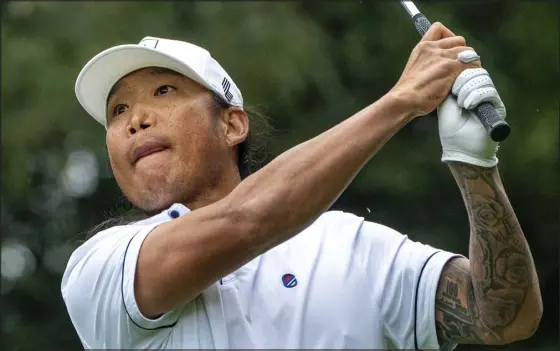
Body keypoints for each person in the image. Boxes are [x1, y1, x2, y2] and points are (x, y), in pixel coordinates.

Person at [61, 23, 542, 350]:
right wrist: (402, 102)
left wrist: (474, 165)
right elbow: (248, 219)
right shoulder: (99, 267)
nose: (135, 120)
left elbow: (503, 316)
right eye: (117, 111)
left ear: (231, 125)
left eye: (164, 92)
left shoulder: (349, 244)